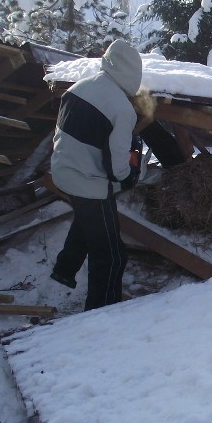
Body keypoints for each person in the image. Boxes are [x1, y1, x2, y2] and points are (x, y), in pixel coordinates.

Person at [49, 39, 143, 311]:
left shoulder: (79, 88)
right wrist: (130, 174)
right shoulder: (122, 109)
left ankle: (65, 269)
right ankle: (102, 312)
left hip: (64, 171)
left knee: (87, 219)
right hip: (89, 183)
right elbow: (117, 168)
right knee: (112, 255)